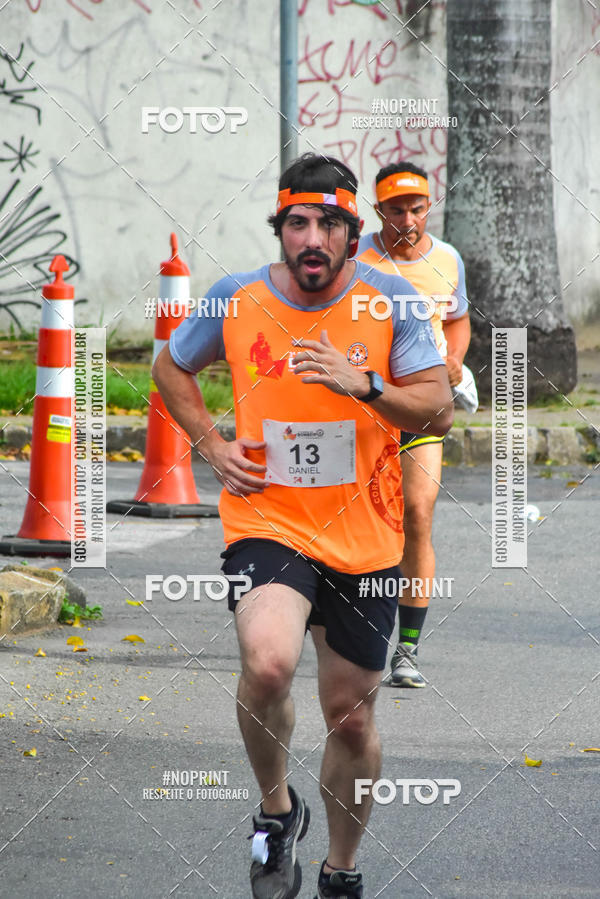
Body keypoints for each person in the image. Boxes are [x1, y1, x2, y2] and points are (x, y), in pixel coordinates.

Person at [153, 153, 453, 899]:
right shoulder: (237, 298)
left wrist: (368, 384)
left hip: (366, 535)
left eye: (327, 223)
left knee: (349, 718)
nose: (310, 237)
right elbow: (169, 367)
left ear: (354, 232)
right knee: (268, 663)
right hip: (268, 519)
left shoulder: (392, 303)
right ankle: (275, 812)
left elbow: (439, 404)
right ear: (280, 229)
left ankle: (340, 871)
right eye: (297, 222)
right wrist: (212, 445)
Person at [356, 162, 472, 688]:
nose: (408, 218)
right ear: (377, 210)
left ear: (430, 207)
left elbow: (456, 317)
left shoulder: (447, 259)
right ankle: (344, 629)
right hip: (364, 407)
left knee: (418, 512)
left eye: (417, 207)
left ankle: (407, 650)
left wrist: (453, 360)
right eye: (397, 209)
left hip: (421, 406)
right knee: (357, 517)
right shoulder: (354, 258)